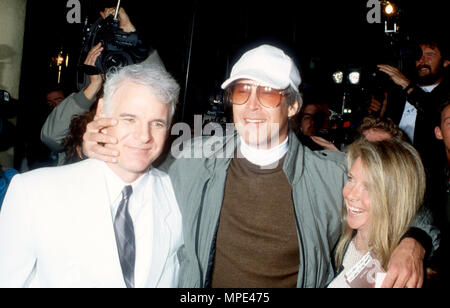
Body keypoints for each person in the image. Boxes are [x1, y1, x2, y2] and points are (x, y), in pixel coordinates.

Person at [83, 44, 439, 288]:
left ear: (292, 106)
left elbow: (406, 201)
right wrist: (100, 145)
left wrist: (415, 241)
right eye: (242, 91)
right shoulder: (192, 160)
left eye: (268, 93)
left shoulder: (332, 173)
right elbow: (135, 154)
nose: (252, 105)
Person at [0, 63, 183, 288]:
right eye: (129, 119)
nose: (144, 136)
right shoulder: (33, 192)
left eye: (157, 123)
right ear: (102, 112)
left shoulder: (179, 195)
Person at [40, 6, 165, 165]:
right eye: (103, 56)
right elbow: (51, 138)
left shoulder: (136, 103)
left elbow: (163, 92)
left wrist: (133, 39)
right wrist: (92, 87)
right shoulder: (84, 103)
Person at [328, 139, 426, 288]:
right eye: (351, 179)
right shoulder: (334, 238)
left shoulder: (399, 272)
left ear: (394, 197)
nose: (350, 194)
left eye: (369, 187)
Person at [375, 37, 449, 173]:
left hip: (429, 173)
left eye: (430, 55)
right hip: (393, 167)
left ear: (445, 62)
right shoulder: (398, 93)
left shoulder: (446, 95)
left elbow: (433, 111)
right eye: (419, 55)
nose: (422, 60)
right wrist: (377, 115)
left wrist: (407, 85)